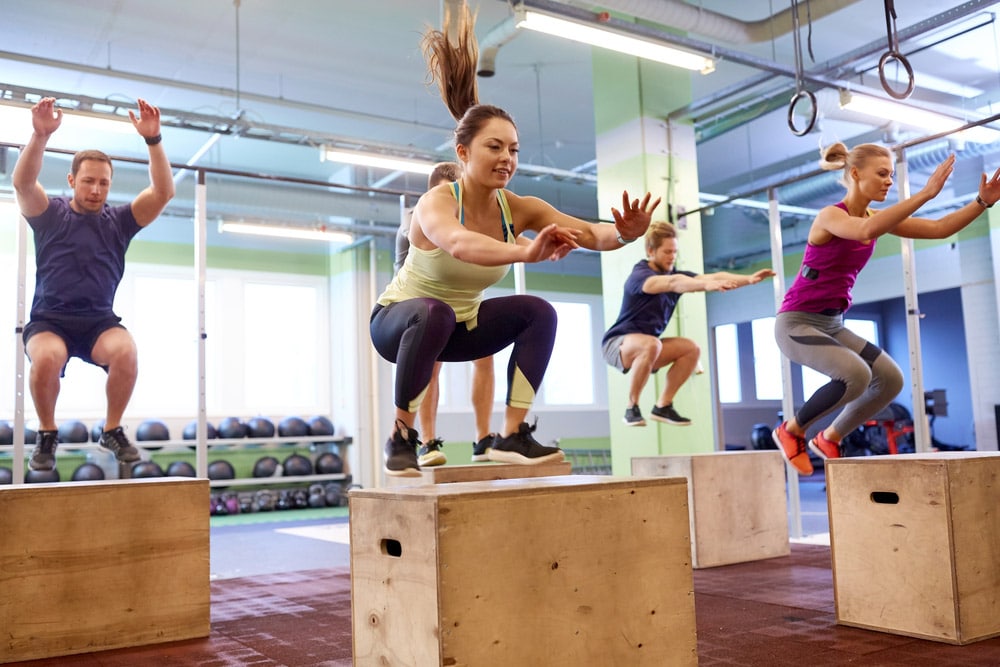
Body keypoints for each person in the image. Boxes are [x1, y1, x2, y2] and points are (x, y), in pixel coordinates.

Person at [370, 2, 661, 477]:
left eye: (513, 150)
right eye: (494, 147)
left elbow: (591, 233)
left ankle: (510, 434)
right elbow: (461, 245)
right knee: (434, 311)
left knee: (537, 311)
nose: (507, 158)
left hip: (458, 329)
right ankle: (402, 435)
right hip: (399, 326)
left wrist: (624, 235)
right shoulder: (438, 202)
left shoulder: (519, 206)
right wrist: (526, 250)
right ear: (463, 153)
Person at [771, 142, 1000, 475]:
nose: (889, 181)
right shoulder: (831, 216)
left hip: (832, 324)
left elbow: (939, 229)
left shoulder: (876, 218)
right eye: (882, 174)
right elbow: (864, 230)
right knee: (856, 374)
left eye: (891, 175)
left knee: (890, 379)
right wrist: (925, 194)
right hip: (796, 324)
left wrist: (982, 202)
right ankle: (791, 431)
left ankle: (830, 437)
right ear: (854, 173)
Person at [12, 96, 176, 471]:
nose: (96, 189)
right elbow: (22, 183)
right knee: (48, 358)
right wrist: (39, 136)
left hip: (99, 320)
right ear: (72, 181)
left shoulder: (119, 221)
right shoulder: (50, 215)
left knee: (126, 352)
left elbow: (163, 193)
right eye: (88, 181)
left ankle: (112, 429)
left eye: (104, 183)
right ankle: (47, 433)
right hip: (50, 320)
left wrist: (154, 141)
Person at [603, 220, 775, 427]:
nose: (672, 257)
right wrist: (705, 285)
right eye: (667, 252)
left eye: (674, 252)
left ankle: (663, 406)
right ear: (650, 250)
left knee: (691, 349)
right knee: (652, 344)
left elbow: (714, 276)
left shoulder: (676, 274)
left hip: (647, 349)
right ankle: (632, 408)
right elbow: (673, 283)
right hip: (617, 344)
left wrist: (748, 279)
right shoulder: (640, 276)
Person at [395, 161, 497, 467]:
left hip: (461, 297)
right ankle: (427, 442)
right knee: (433, 363)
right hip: (423, 301)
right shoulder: (418, 219)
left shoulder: (466, 216)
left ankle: (483, 439)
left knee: (486, 353)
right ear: (433, 191)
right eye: (448, 192)